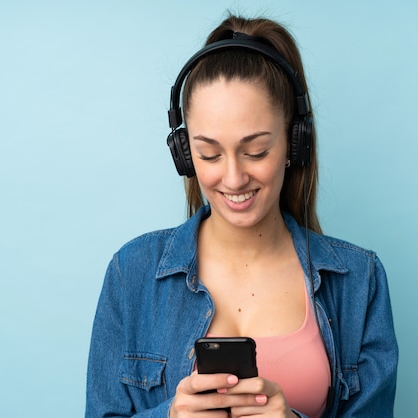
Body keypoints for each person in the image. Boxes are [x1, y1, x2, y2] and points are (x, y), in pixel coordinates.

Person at [86, 13, 398, 418]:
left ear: (294, 144)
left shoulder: (359, 281)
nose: (233, 178)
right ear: (184, 154)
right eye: (210, 154)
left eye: (256, 152)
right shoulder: (131, 273)